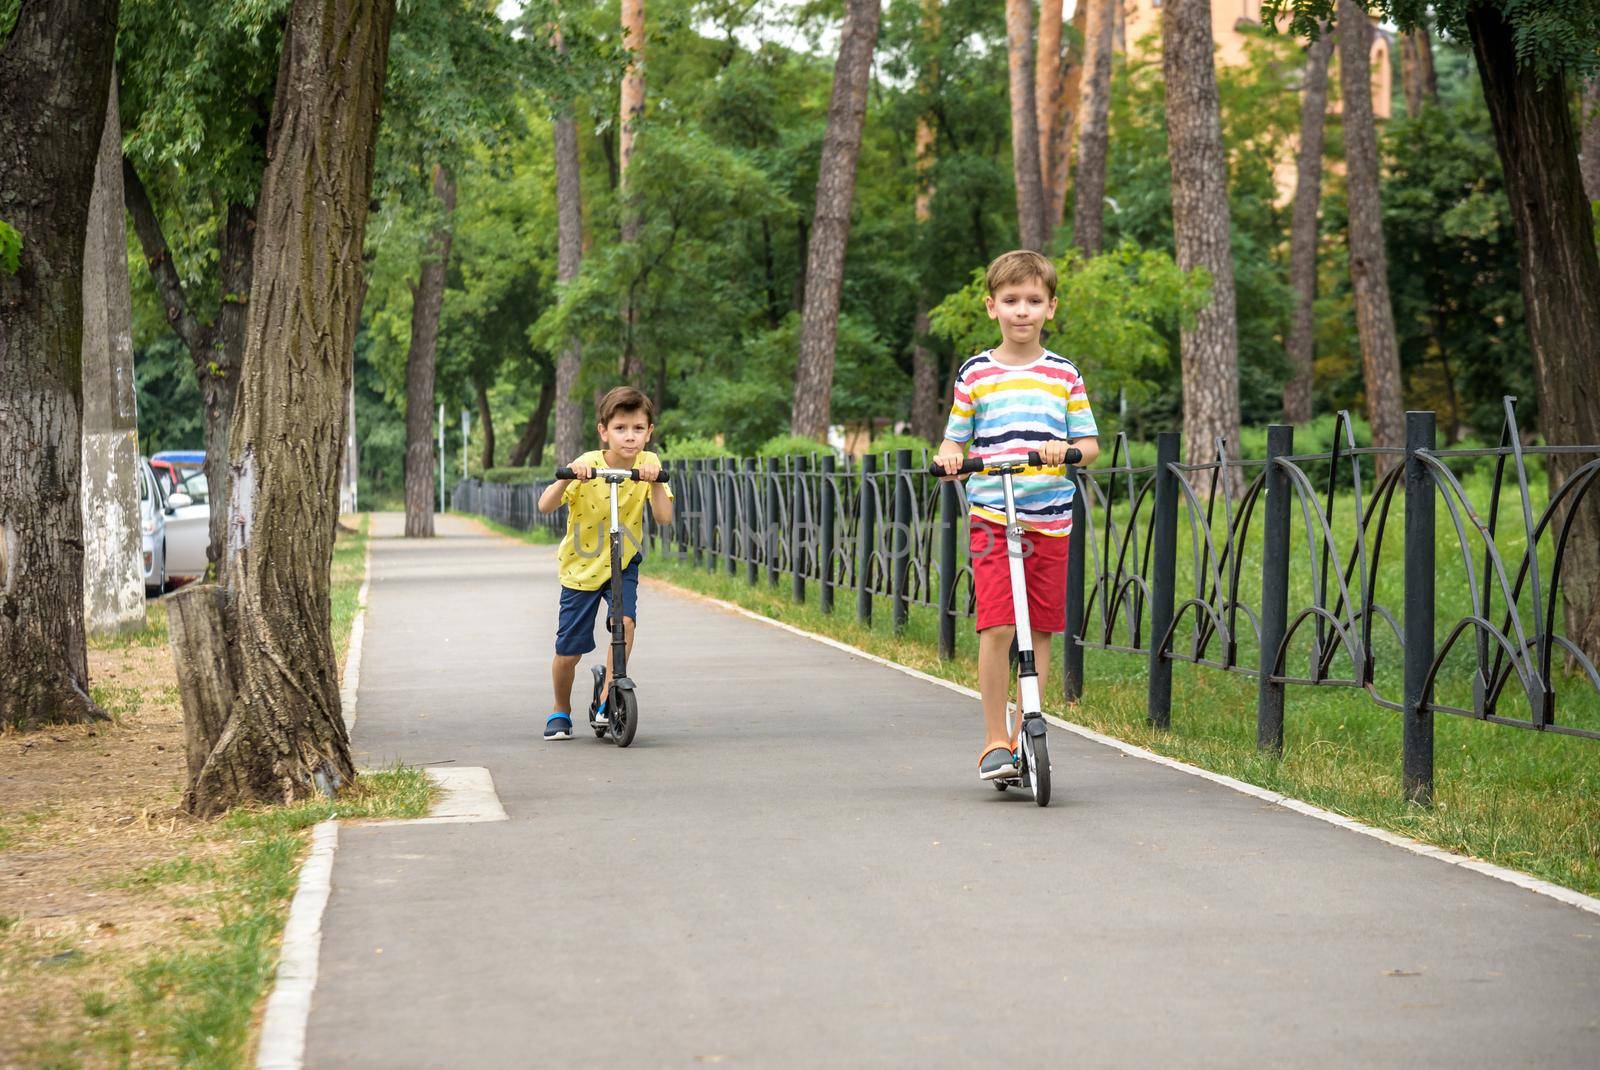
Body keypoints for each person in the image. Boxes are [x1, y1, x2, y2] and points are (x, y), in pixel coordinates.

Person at [932, 250, 1100, 780]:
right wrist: (950, 457)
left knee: (1042, 628)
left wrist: (1062, 448)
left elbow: (1089, 444)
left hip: (1050, 518)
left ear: (1051, 307)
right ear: (991, 307)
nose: (1021, 311)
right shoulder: (975, 374)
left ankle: (1029, 725)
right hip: (993, 517)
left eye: (1033, 301)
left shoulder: (1064, 375)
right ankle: (993, 740)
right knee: (999, 625)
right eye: (1010, 301)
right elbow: (953, 438)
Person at [537, 386, 674, 741]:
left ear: (649, 431)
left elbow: (663, 517)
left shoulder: (650, 463)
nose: (630, 437)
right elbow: (545, 506)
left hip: (623, 560)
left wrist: (655, 481)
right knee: (569, 650)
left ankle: (606, 695)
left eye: (638, 429)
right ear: (604, 431)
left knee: (624, 623)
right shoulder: (588, 463)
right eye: (621, 428)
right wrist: (569, 474)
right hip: (581, 567)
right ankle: (560, 710)